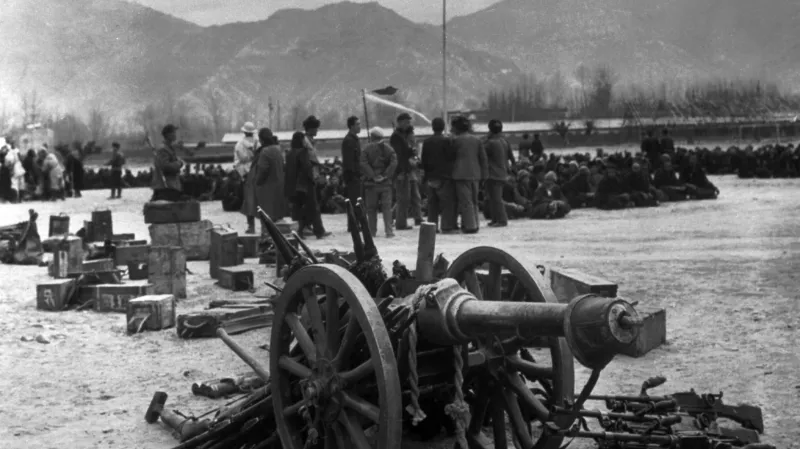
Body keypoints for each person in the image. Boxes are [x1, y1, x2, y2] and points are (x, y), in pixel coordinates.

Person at [450, 115, 487, 233]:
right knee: (474, 201)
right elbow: (483, 158)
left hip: (460, 174)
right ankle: (475, 223)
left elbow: (451, 157)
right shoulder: (477, 140)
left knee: (466, 201)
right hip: (475, 173)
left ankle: (470, 226)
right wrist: (484, 175)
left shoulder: (455, 141)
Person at [360, 127, 398, 238]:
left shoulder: (366, 149)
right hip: (385, 184)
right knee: (387, 209)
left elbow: (363, 163)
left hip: (371, 184)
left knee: (371, 209)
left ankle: (372, 232)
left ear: (371, 137)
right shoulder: (389, 149)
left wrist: (372, 175)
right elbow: (394, 163)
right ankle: (389, 231)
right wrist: (385, 175)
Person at [420, 117, 456, 233]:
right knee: (446, 203)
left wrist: (426, 176)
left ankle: (432, 227)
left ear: (432, 127)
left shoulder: (427, 142)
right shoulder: (447, 141)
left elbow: (424, 160)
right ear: (443, 127)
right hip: (444, 177)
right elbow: (451, 157)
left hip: (431, 176)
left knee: (432, 205)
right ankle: (446, 226)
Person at [252, 128, 287, 233]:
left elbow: (263, 170)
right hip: (280, 187)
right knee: (277, 219)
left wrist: (257, 182)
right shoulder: (278, 149)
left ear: (261, 139)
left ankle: (266, 240)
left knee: (266, 218)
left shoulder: (265, 152)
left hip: (267, 190)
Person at [483, 119, 514, 227]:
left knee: (495, 199)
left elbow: (482, 154)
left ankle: (501, 220)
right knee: (495, 198)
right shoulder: (504, 141)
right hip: (502, 173)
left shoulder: (489, 143)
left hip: (492, 174)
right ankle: (496, 219)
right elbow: (511, 157)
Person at [390, 113, 415, 230]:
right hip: (401, 170)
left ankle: (400, 221)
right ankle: (401, 223)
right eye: (406, 122)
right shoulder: (396, 137)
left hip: (405, 170)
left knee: (405, 198)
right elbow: (398, 156)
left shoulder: (402, 136)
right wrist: (400, 172)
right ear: (400, 122)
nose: (408, 124)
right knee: (402, 198)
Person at [151, 124, 189, 202]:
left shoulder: (168, 148)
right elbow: (165, 166)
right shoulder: (163, 149)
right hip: (166, 186)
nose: (175, 135)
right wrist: (179, 163)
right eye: (174, 132)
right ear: (168, 135)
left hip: (170, 185)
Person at [235, 122, 259, 234]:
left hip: (245, 174)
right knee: (260, 200)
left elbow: (239, 160)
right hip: (258, 173)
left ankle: (251, 226)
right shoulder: (258, 143)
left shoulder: (239, 144)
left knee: (249, 200)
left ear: (244, 131)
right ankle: (265, 227)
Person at [341, 116, 362, 232]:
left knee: (356, 200)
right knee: (354, 201)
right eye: (358, 124)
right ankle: (353, 224)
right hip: (352, 176)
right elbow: (349, 161)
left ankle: (355, 223)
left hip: (356, 175)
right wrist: (352, 174)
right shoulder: (349, 140)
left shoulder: (354, 139)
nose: (360, 126)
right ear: (352, 126)